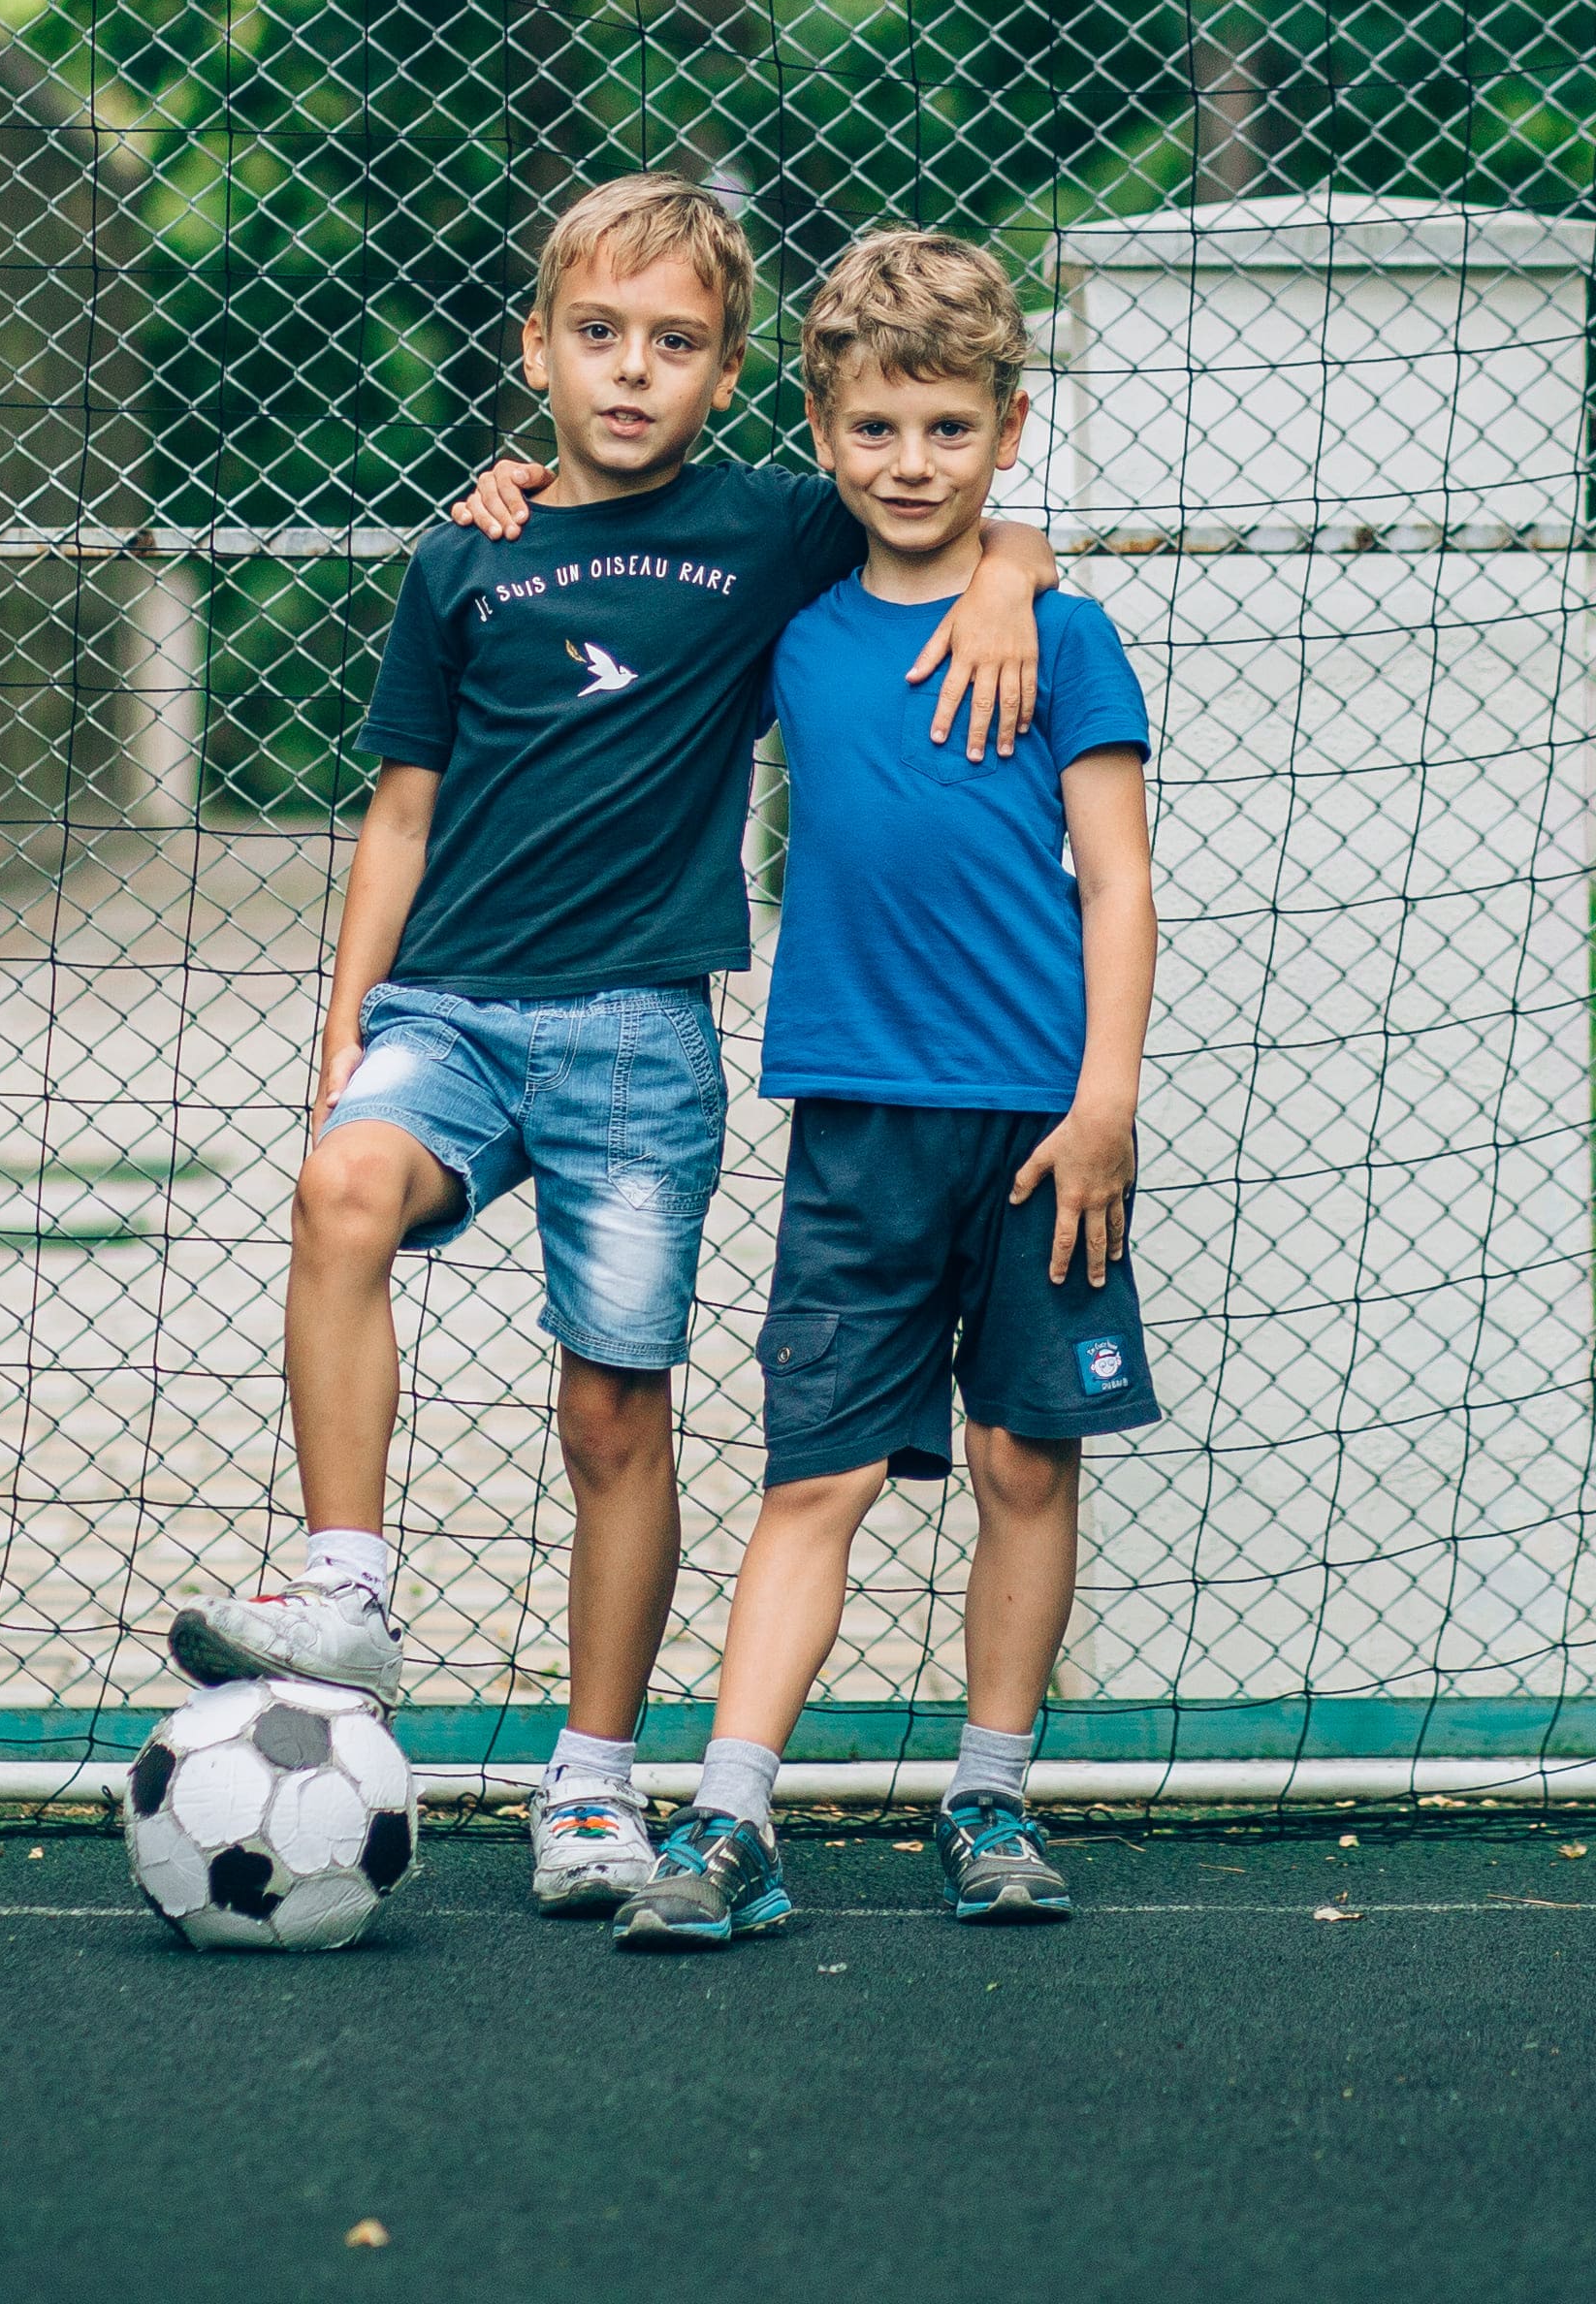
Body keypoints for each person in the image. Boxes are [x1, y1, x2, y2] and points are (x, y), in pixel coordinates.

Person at [166, 175, 1061, 1922]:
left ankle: (592, 1781)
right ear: (538, 351)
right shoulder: (464, 555)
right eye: (598, 335)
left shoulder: (771, 529)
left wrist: (1019, 577)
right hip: (449, 1008)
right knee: (342, 1188)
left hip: (641, 1035)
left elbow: (952, 511)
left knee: (609, 1413)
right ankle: (346, 1589)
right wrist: (351, 1016)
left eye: (675, 343)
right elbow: (401, 810)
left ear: (726, 374)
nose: (632, 370)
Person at [618, 230, 1156, 1947]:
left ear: (1008, 428)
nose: (910, 464)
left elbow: (1119, 882)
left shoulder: (1063, 635)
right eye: (873, 430)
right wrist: (505, 490)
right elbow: (630, 528)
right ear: (824, 431)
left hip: (1045, 1124)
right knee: (817, 1479)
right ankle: (729, 1818)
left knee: (1024, 1464)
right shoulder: (791, 627)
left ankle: (990, 1797)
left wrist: (1107, 1101)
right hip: (858, 1116)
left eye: (948, 431)